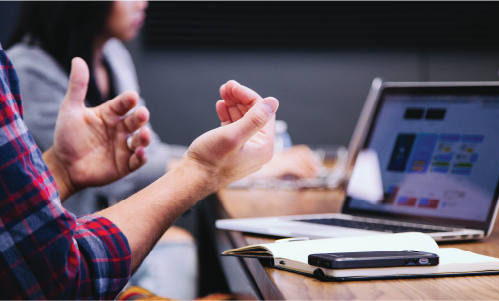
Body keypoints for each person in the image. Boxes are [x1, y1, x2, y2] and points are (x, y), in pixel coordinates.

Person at [0, 43, 279, 300]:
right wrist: (202, 171)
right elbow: (59, 276)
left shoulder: (114, 55)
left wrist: (60, 170)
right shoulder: (27, 67)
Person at [7, 0, 318, 217]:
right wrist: (235, 169)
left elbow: (145, 153)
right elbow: (124, 174)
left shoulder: (113, 56)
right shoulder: (26, 71)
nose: (143, 3)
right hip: (69, 242)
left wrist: (232, 164)